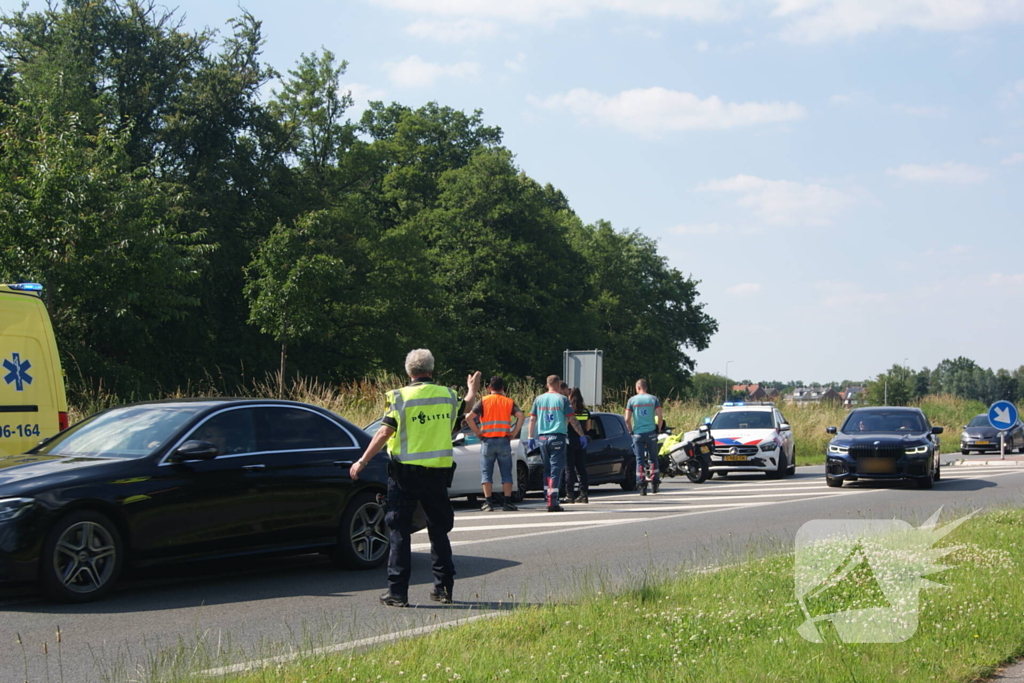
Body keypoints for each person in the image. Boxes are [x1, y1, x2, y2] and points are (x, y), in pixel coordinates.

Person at [350, 349, 480, 607]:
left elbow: (385, 430)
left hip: (404, 475)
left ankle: (397, 592)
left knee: (399, 530)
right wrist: (472, 392)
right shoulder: (447, 395)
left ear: (409, 372)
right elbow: (460, 416)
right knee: (438, 530)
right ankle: (443, 589)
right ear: (431, 370)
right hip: (437, 476)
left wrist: (362, 461)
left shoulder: (399, 397)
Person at [528, 374, 587, 512]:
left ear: (547, 384)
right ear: (558, 384)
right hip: (557, 437)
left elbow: (532, 419)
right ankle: (552, 500)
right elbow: (572, 419)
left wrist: (531, 437)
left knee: (547, 469)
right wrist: (582, 435)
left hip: (542, 438)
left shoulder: (539, 399)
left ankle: (546, 494)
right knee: (556, 470)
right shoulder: (562, 399)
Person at [466, 376, 524, 512]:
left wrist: (478, 433)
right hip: (504, 440)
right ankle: (507, 502)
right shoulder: (508, 402)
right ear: (503, 388)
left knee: (486, 473)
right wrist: (514, 432)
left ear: (489, 388)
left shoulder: (484, 401)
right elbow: (520, 416)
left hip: (487, 441)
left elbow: (469, 417)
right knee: (507, 473)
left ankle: (488, 503)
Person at [625, 379, 664, 495]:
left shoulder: (631, 400)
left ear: (637, 388)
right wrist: (659, 429)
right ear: (646, 387)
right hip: (651, 432)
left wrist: (631, 432)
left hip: (637, 434)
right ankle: (655, 482)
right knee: (653, 458)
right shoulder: (653, 399)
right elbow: (660, 416)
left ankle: (641, 484)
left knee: (639, 460)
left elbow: (627, 419)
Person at [563, 387, 591, 504]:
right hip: (581, 441)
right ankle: (583, 494)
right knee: (581, 469)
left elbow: (565, 425)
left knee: (569, 469)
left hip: (570, 441)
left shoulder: (570, 411)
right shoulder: (586, 411)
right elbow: (588, 428)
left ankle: (570, 495)